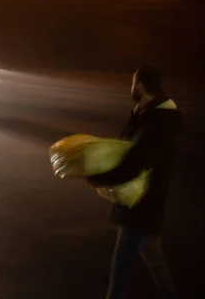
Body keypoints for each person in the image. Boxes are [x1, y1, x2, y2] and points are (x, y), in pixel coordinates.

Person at [87, 65, 183, 299]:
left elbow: (138, 159)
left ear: (139, 85)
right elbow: (124, 149)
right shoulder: (145, 113)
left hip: (143, 202)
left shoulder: (159, 120)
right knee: (156, 263)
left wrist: (102, 177)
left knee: (120, 266)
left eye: (132, 82)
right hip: (138, 200)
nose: (130, 87)